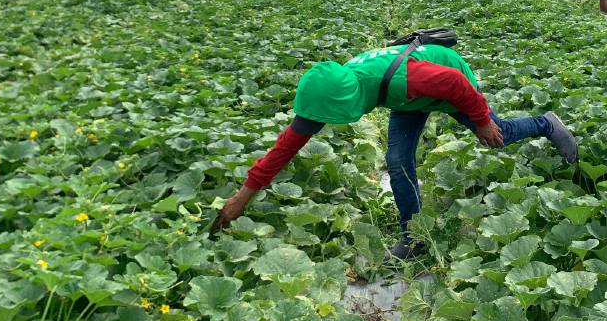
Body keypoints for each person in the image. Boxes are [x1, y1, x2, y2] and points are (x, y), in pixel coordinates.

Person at [211, 42, 578, 259]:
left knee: (500, 135)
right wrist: (243, 196)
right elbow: (286, 147)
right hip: (407, 99)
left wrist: (481, 120)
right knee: (398, 161)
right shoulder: (331, 88)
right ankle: (414, 235)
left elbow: (453, 82)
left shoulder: (401, 80)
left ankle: (546, 123)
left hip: (450, 80)